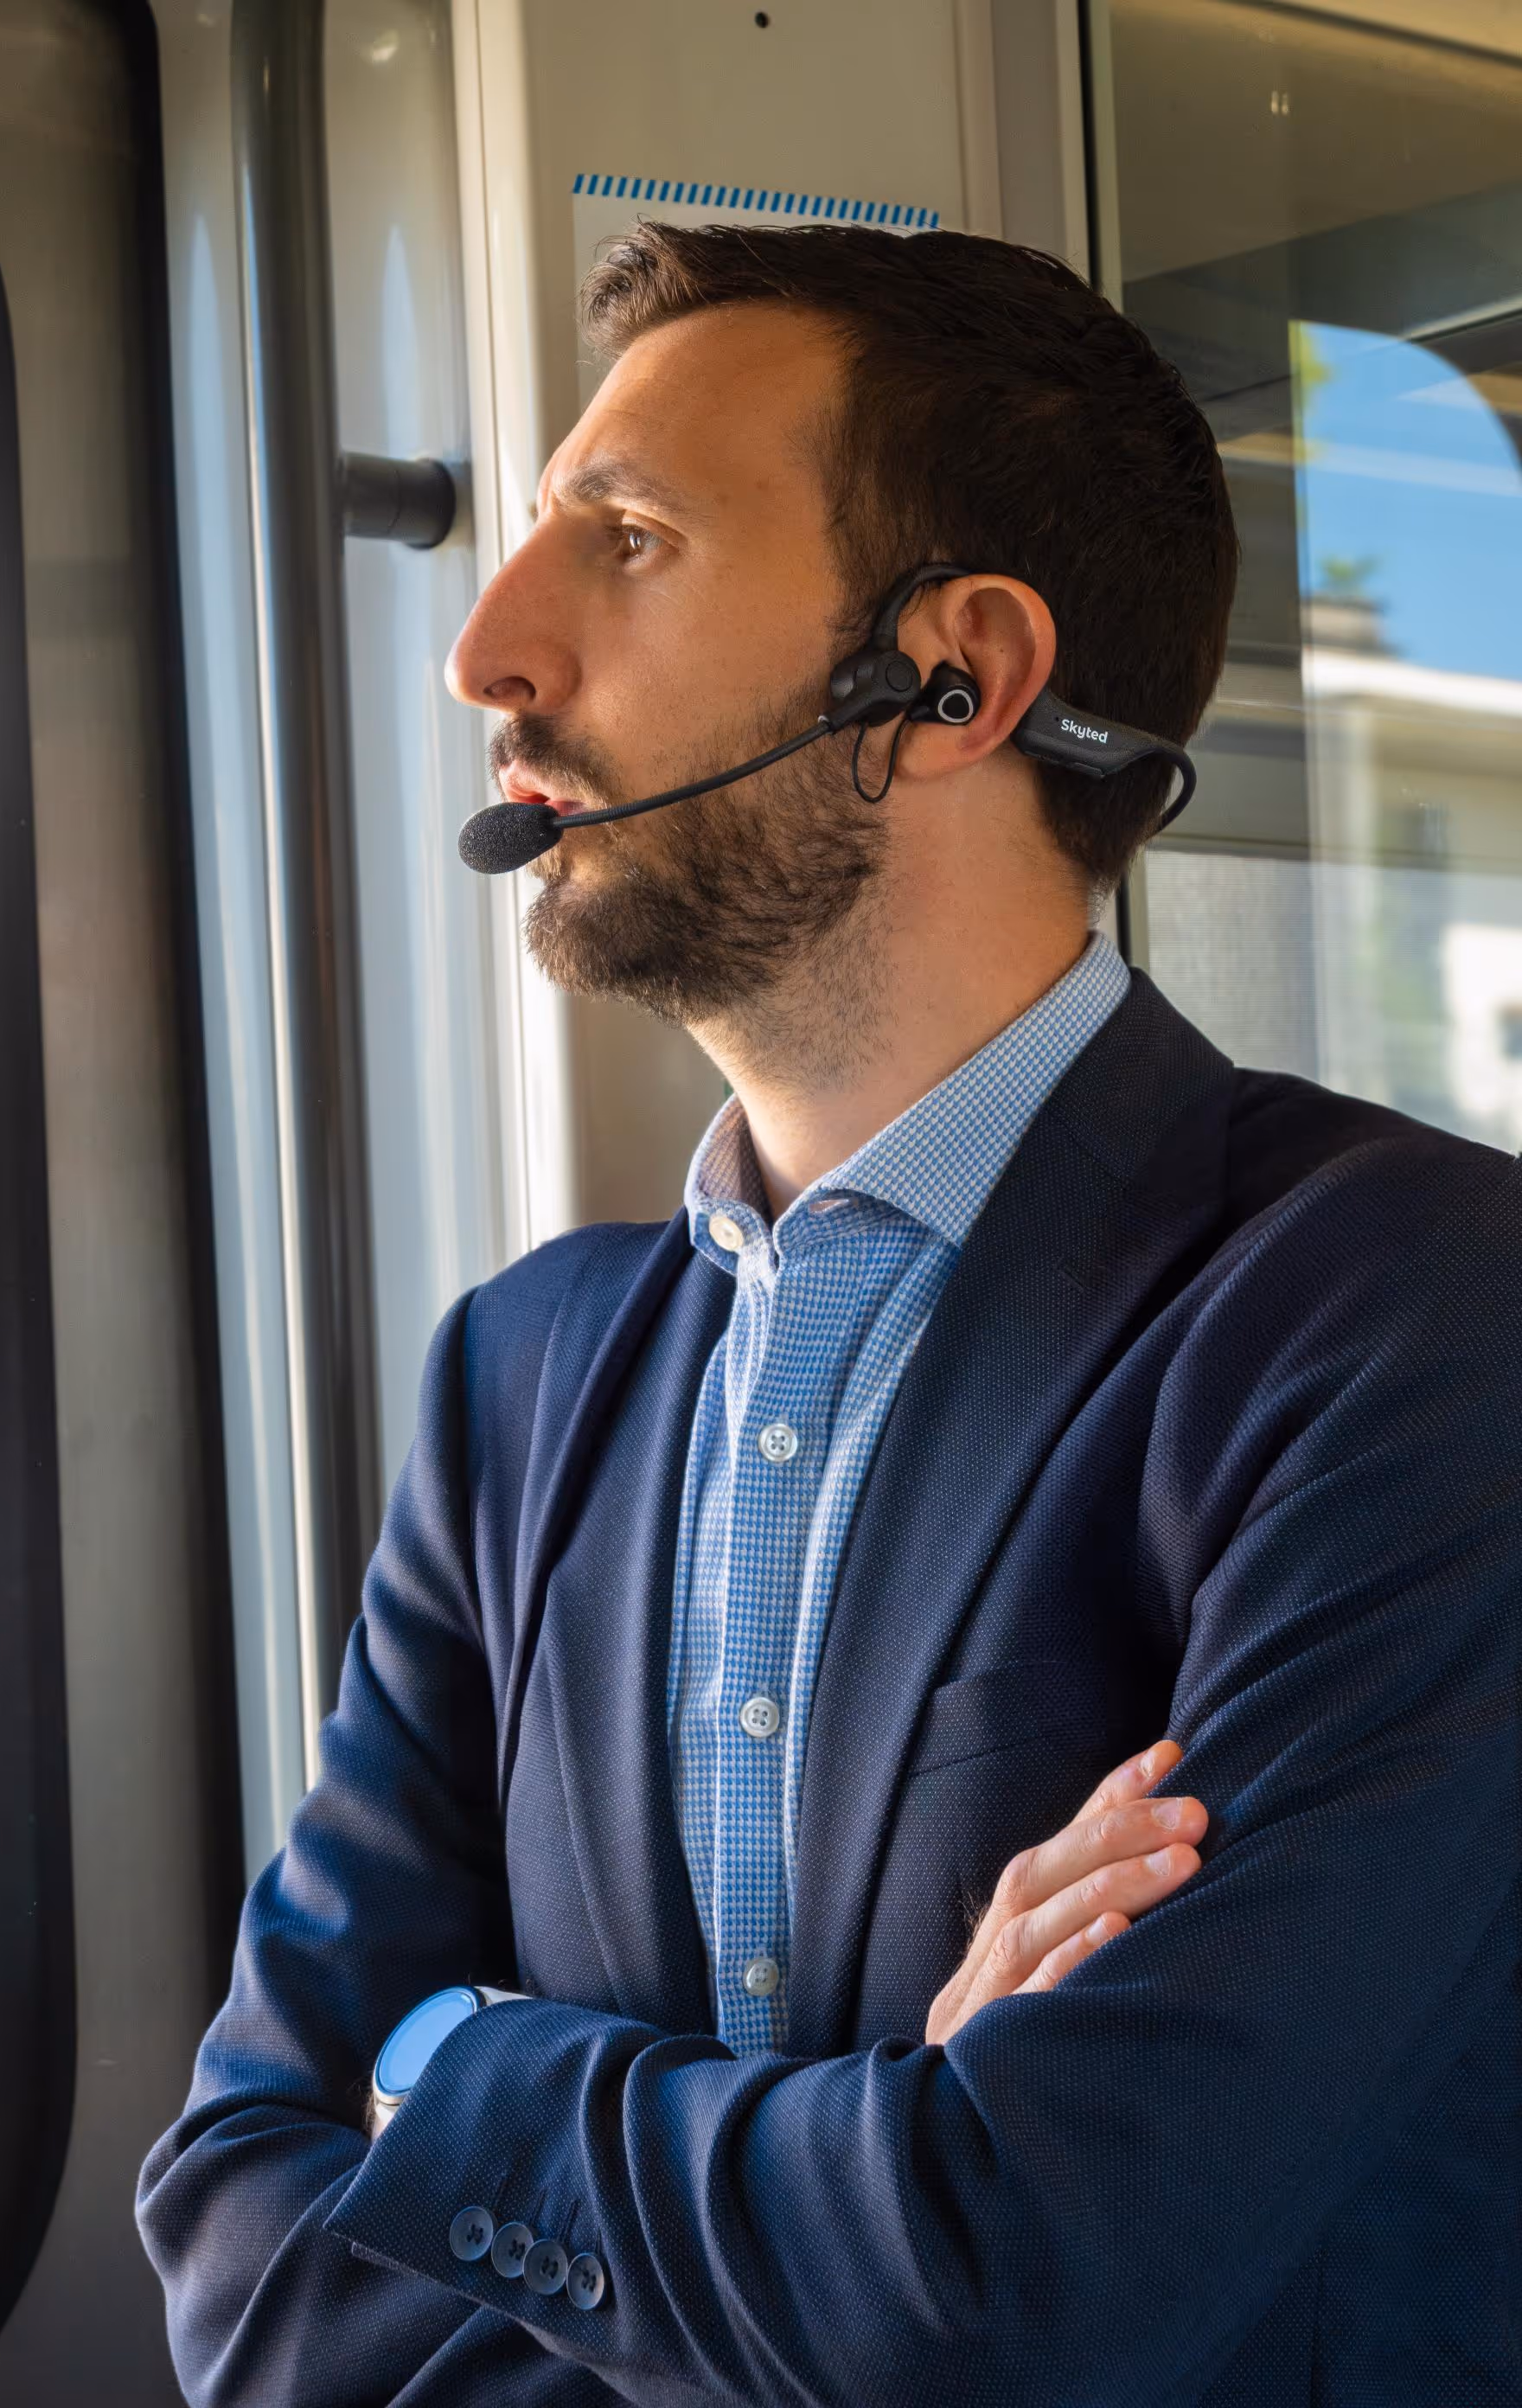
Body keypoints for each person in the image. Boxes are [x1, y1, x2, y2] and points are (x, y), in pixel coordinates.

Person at [137, 225, 1521, 2405]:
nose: (487, 655)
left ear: (955, 675)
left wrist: (459, 2082)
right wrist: (881, 2143)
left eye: (629, 539)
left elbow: (1031, 2290)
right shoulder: (519, 1385)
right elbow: (247, 2264)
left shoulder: (1415, 1320)